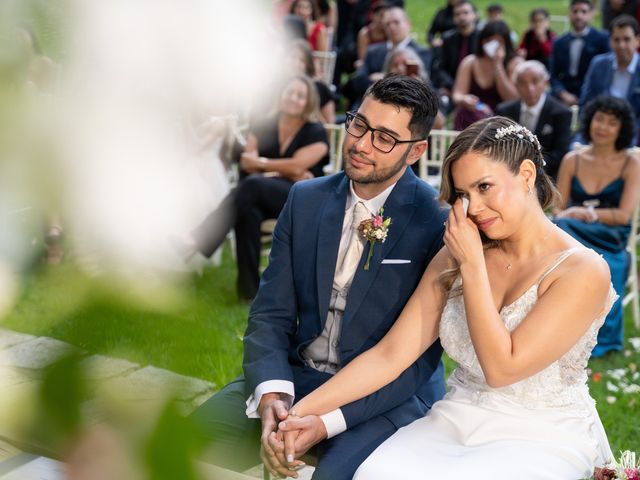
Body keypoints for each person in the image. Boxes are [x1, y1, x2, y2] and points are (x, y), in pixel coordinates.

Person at [278, 116, 616, 479]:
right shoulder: (456, 254)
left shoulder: (581, 271)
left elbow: (503, 369)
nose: (473, 207)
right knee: (374, 473)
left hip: (541, 433)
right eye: (463, 194)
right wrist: (296, 414)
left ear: (527, 175)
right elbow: (391, 355)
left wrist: (472, 266)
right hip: (456, 418)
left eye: (485, 186)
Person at [190, 74, 447, 480]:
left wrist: (323, 421)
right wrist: (273, 394)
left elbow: (415, 363)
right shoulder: (305, 200)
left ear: (416, 151)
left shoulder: (437, 222)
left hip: (383, 400)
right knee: (179, 451)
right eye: (359, 124)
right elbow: (270, 315)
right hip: (294, 376)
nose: (360, 144)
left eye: (383, 138)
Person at [177, 75, 329, 301]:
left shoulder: (316, 131)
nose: (293, 98)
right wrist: (287, 171)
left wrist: (266, 166)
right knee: (248, 211)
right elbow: (248, 162)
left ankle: (198, 239)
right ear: (281, 95)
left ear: (308, 102)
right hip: (265, 195)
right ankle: (249, 294)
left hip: (302, 199)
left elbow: (298, 165)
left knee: (253, 185)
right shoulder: (264, 125)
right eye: (290, 93)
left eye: (300, 95)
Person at [555, 96, 640, 357]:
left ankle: (601, 341)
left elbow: (624, 215)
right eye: (599, 119)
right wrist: (570, 214)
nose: (602, 126)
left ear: (621, 128)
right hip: (572, 231)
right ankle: (555, 330)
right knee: (558, 227)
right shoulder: (573, 160)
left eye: (611, 122)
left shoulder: (632, 163)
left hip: (610, 236)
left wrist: (587, 213)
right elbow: (558, 207)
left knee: (609, 265)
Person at [496, 60, 572, 181]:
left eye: (535, 81)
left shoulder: (561, 112)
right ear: (515, 85)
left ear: (545, 83)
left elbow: (560, 153)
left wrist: (528, 169)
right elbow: (499, 147)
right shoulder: (504, 111)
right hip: (509, 176)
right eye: (522, 83)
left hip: (546, 178)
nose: (529, 88)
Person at [452, 20, 522, 130]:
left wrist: (498, 66)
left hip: (502, 121)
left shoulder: (514, 63)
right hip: (474, 117)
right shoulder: (470, 62)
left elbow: (512, 99)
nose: (493, 46)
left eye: (498, 42)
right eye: (489, 41)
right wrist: (464, 99)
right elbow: (457, 94)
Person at [580, 15, 640, 137]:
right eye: (616, 40)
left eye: (627, 39)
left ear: (637, 40)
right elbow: (586, 103)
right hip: (598, 131)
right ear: (610, 41)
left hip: (633, 136)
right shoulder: (598, 64)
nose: (621, 45)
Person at [549, 0, 610, 108]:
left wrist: (586, 96)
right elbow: (553, 74)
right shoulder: (559, 42)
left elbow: (605, 72)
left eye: (584, 11)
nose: (579, 16)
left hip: (592, 92)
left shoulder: (602, 39)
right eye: (575, 11)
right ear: (569, 14)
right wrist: (562, 93)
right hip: (564, 92)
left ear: (591, 14)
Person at [431, 0, 480, 106]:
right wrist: (452, 86)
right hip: (451, 87)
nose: (462, 17)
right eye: (457, 14)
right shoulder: (448, 39)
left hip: (476, 89)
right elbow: (440, 67)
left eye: (466, 13)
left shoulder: (482, 38)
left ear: (475, 15)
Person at [286, 39, 336, 123]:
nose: (295, 62)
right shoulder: (276, 84)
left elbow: (330, 127)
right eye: (293, 57)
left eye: (302, 60)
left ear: (308, 65)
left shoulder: (320, 88)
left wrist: (311, 105)